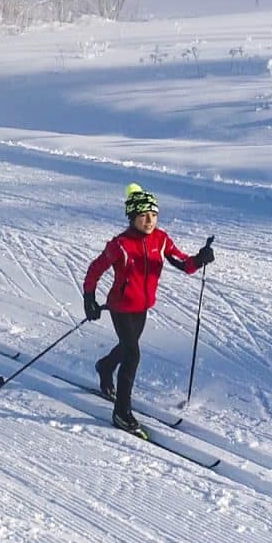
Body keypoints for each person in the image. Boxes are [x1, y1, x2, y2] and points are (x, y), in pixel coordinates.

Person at [81, 184, 214, 435]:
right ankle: (121, 412)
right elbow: (95, 269)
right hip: (121, 307)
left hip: (142, 307)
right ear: (132, 217)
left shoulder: (161, 239)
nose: (149, 220)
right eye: (143, 216)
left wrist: (200, 258)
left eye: (153, 215)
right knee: (132, 354)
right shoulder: (120, 245)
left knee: (125, 348)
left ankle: (106, 366)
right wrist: (89, 297)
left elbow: (183, 263)